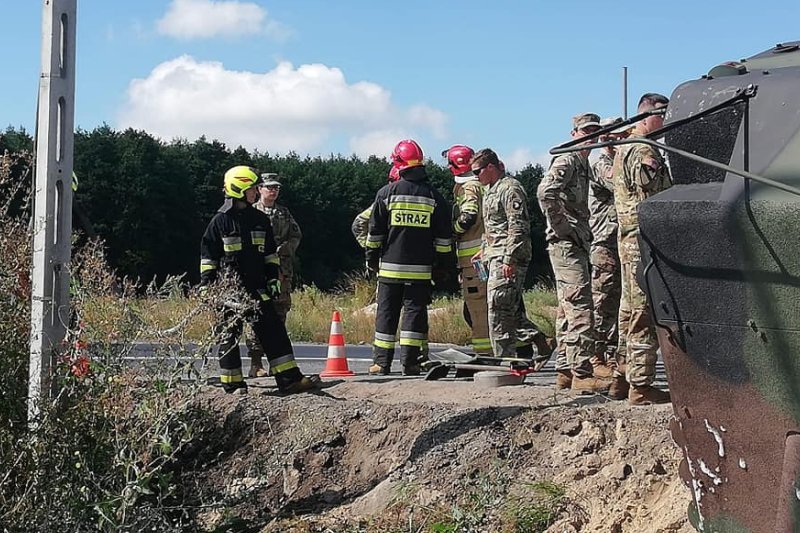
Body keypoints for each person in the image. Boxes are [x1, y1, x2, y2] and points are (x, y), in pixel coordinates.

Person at [200, 165, 319, 394]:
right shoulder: (220, 222)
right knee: (229, 337)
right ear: (240, 189)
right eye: (253, 188)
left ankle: (289, 379)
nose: (256, 192)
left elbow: (270, 254)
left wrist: (273, 278)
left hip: (256, 288)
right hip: (228, 291)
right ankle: (233, 385)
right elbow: (208, 257)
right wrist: (207, 285)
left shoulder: (259, 220)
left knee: (274, 331)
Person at [538, 113, 611, 393]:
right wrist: (563, 226)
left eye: (594, 131)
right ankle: (581, 373)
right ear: (574, 133)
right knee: (581, 305)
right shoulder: (569, 160)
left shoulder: (583, 163)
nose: (590, 136)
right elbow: (546, 193)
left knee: (566, 308)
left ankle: (565, 370)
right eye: (586, 131)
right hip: (567, 242)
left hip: (575, 242)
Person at [365, 140, 453, 375]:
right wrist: (442, 267)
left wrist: (371, 260)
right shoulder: (435, 197)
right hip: (421, 270)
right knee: (414, 314)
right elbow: (444, 239)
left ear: (398, 163)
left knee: (386, 313)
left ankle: (381, 363)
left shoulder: (386, 194)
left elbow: (375, 233)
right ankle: (410, 363)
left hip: (389, 269)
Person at [610, 93, 672, 405]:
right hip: (643, 241)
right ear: (649, 116)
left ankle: (621, 379)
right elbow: (649, 184)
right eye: (663, 115)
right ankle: (641, 385)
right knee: (643, 313)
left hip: (629, 239)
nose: (666, 121)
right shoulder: (642, 148)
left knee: (627, 311)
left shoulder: (622, 148)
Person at [469, 148, 549, 360]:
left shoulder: (510, 189)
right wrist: (483, 251)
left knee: (498, 308)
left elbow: (518, 226)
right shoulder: (491, 190)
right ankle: (538, 338)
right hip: (494, 255)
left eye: (477, 172)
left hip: (509, 256)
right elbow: (496, 228)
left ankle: (506, 360)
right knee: (505, 308)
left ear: (491, 167)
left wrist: (509, 259)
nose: (475, 177)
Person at [244, 173, 302, 377]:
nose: (273, 191)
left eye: (276, 187)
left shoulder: (284, 213)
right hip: (258, 269)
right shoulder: (251, 212)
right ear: (259, 189)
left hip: (281, 270)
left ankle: (277, 362)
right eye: (269, 187)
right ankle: (255, 362)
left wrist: (284, 249)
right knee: (256, 312)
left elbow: (296, 235)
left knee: (279, 312)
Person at [443, 145, 492, 355]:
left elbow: (468, 215)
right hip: (482, 254)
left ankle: (484, 354)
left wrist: (452, 232)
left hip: (474, 259)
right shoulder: (481, 184)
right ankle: (522, 346)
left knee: (477, 309)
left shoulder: (469, 187)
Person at [588, 118, 628, 375]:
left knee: (617, 301)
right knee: (602, 302)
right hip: (604, 242)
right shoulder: (602, 165)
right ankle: (596, 357)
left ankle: (612, 356)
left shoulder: (617, 161)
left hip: (619, 241)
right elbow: (619, 183)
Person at [352, 166, 400, 249]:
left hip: (389, 256)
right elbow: (358, 223)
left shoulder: (385, 201)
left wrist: (370, 248)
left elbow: (358, 223)